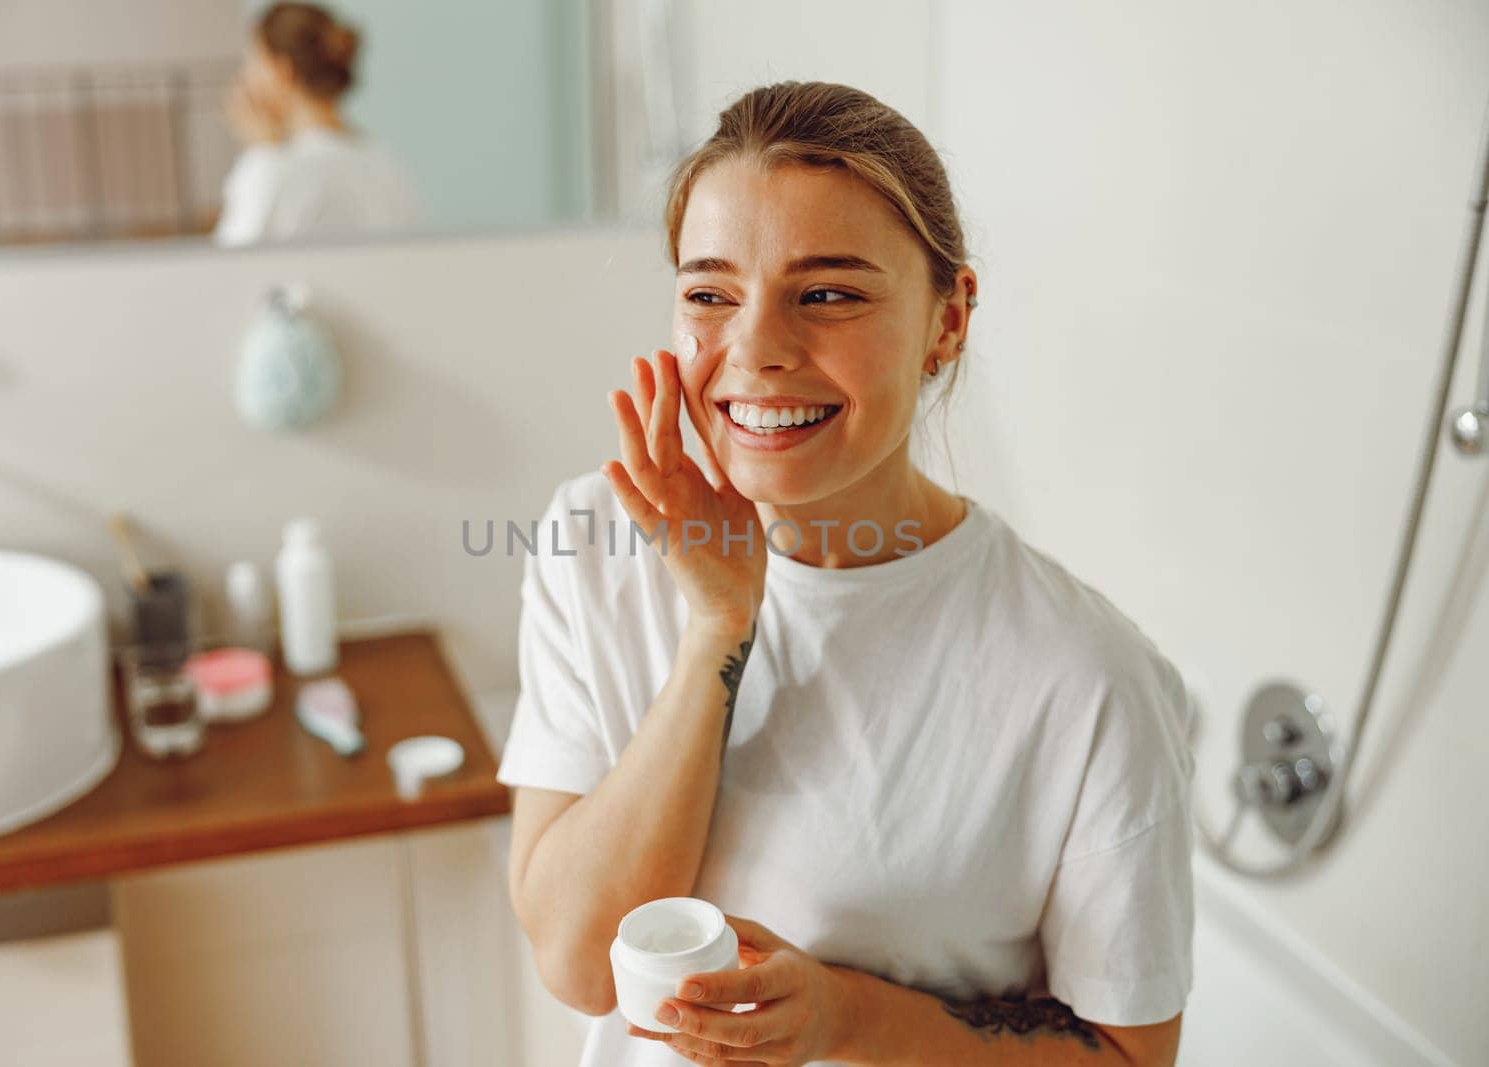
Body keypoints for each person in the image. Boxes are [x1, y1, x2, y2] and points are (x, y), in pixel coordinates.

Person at [497, 81, 1194, 1067]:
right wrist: (716, 629)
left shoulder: (1084, 679)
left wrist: (844, 1016)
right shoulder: (591, 545)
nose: (756, 348)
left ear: (947, 319)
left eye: (826, 293)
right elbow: (578, 963)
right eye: (709, 293)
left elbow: (1129, 1053)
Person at [213, 2, 423, 247]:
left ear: (282, 71)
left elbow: (226, 268)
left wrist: (263, 154)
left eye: (253, 62)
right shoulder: (384, 162)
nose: (244, 77)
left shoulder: (272, 169)